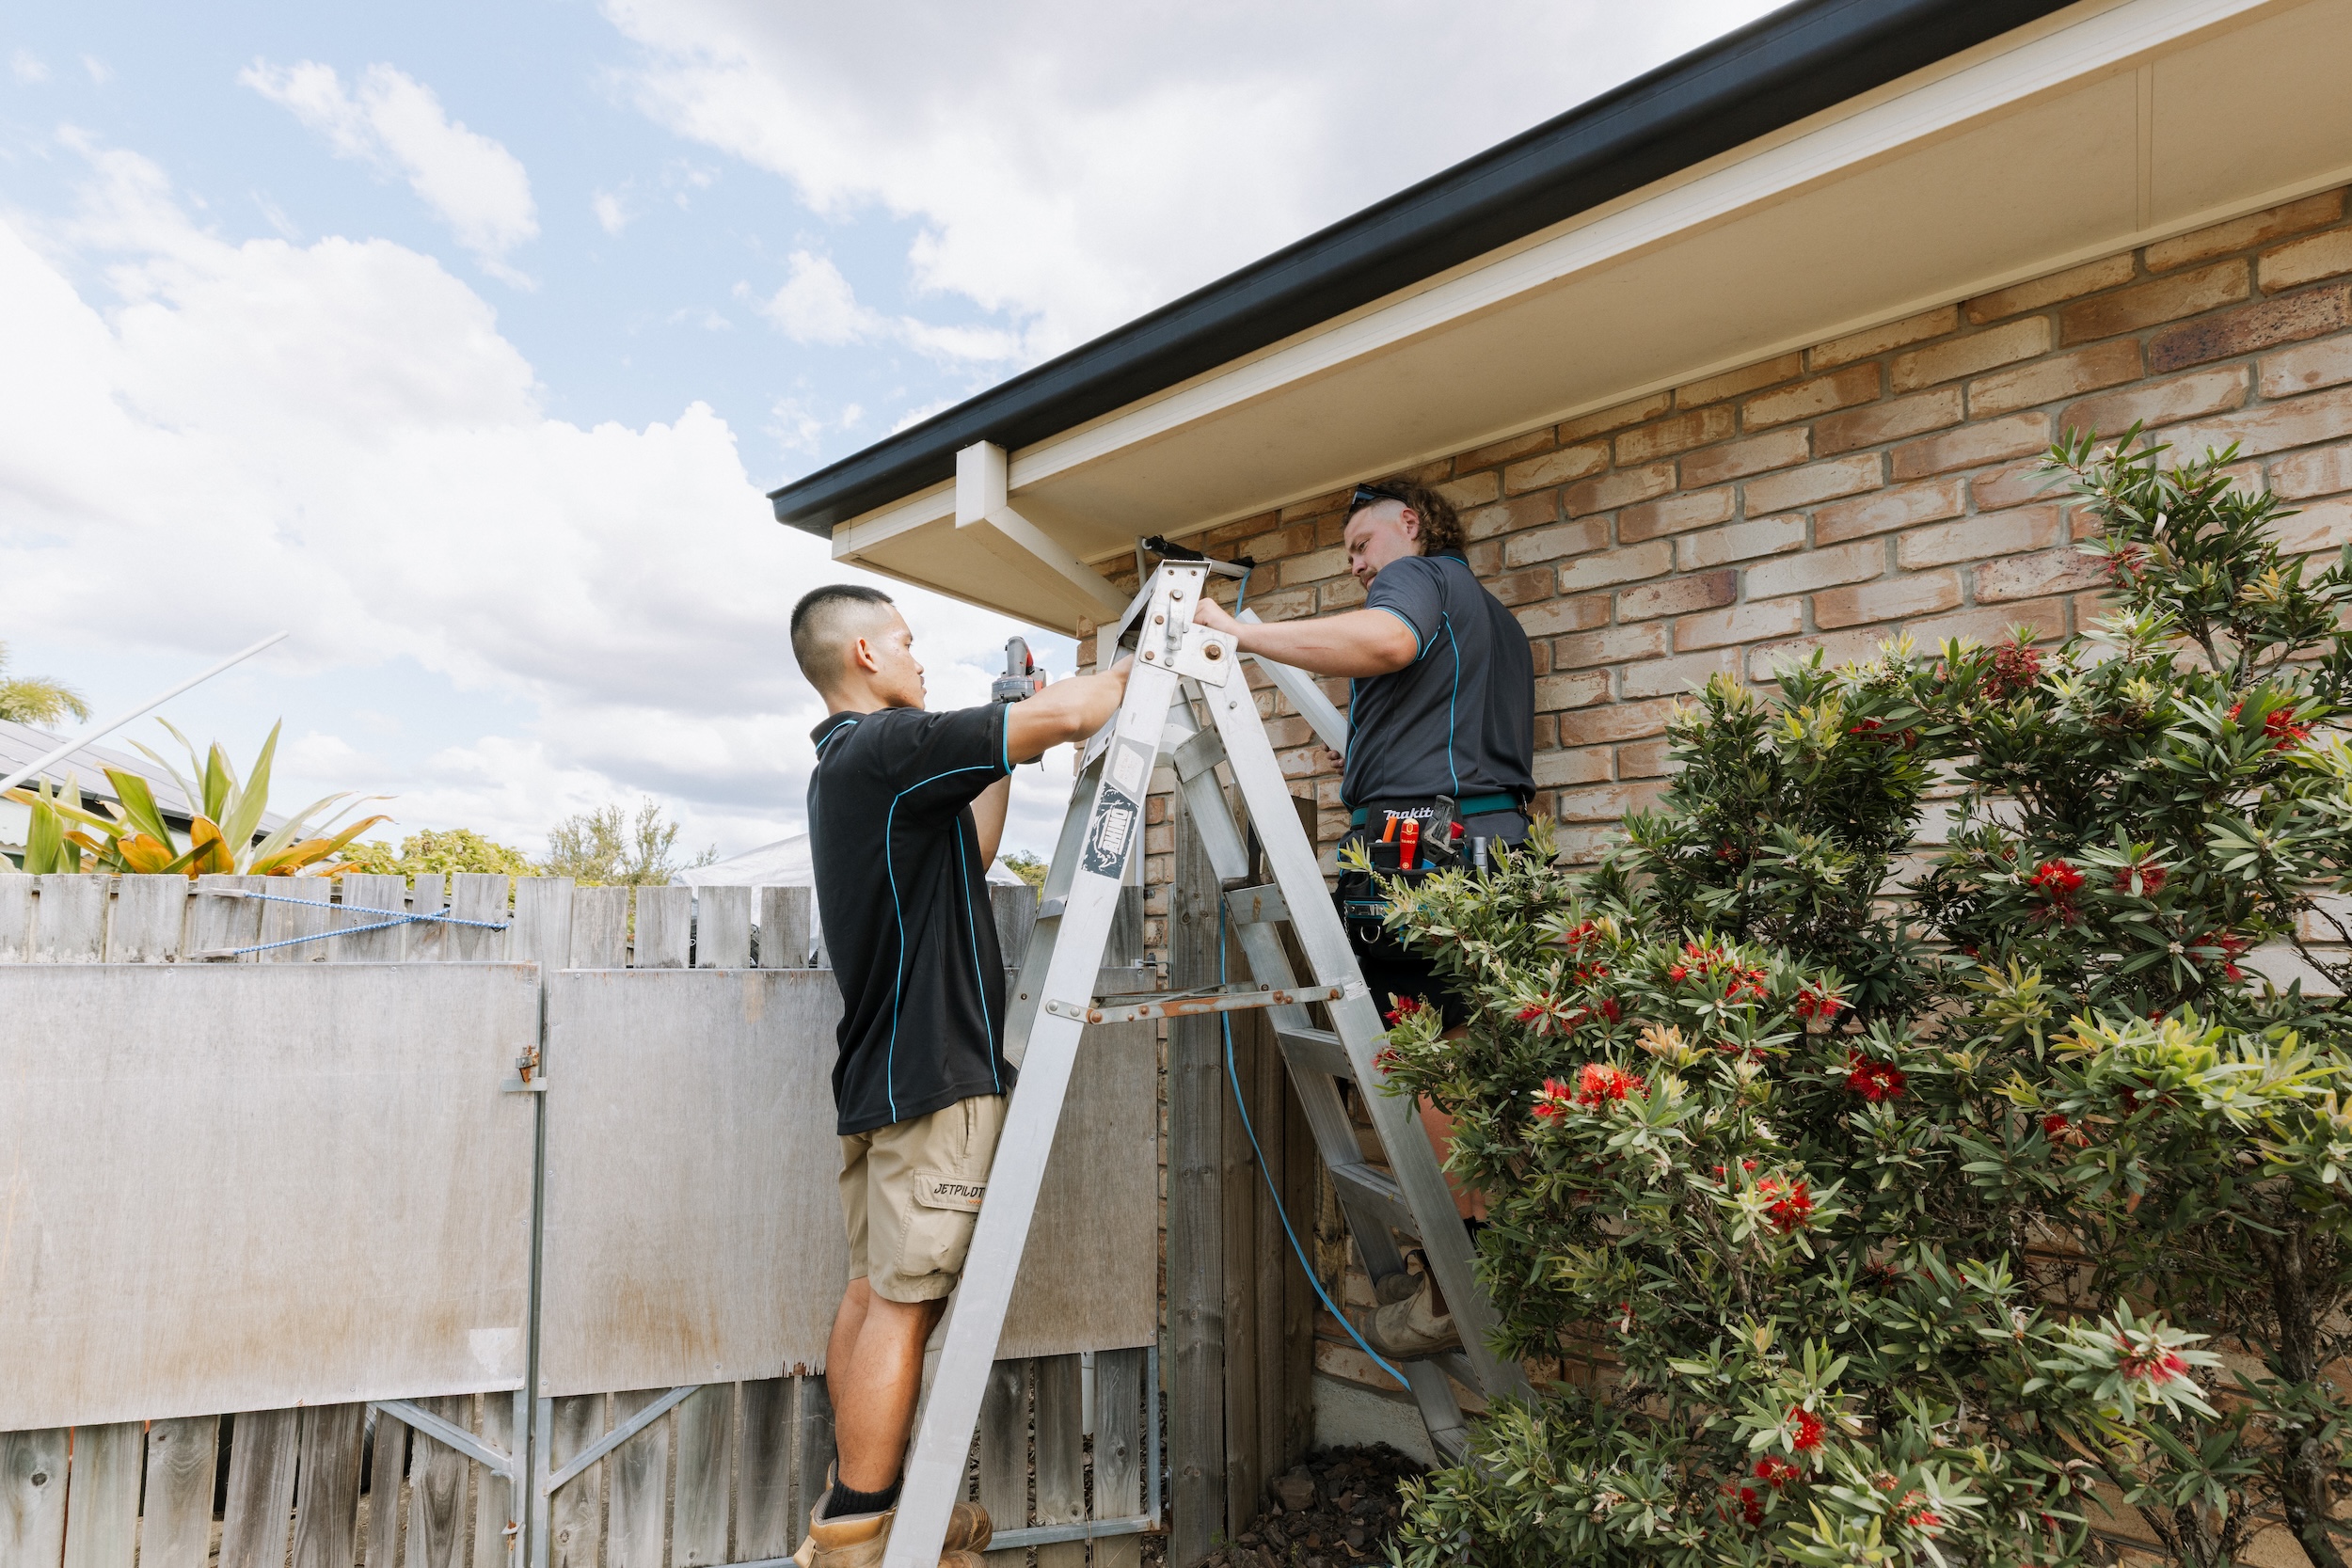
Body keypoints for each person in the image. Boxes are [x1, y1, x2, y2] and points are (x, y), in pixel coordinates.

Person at [788, 583, 1132, 1568]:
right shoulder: (889, 746)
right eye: (903, 639)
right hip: (935, 1073)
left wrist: (1003, 720)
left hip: (885, 1073)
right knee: (906, 1302)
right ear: (862, 653)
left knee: (873, 1291)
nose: (915, 654)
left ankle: (858, 1504)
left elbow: (971, 843)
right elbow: (1070, 714)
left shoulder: (851, 770)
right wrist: (1148, 658)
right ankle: (858, 1530)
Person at [1191, 477, 1534, 1359]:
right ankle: (1479, 1267)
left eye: (1362, 543)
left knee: (1417, 1057)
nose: (1357, 564)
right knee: (1451, 1055)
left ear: (1411, 526)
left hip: (1425, 849)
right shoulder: (1496, 621)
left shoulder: (1419, 581)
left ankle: (1457, 1277)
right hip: (1491, 848)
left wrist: (1243, 632)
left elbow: (1386, 638)